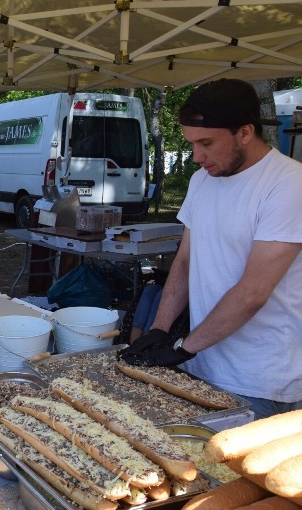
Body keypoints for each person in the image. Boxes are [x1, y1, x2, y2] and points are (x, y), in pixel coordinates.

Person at [123, 78, 302, 420]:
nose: (196, 156)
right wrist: (160, 329)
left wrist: (182, 348)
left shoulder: (289, 184)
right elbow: (187, 261)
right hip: (201, 363)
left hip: (259, 382)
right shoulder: (202, 180)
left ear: (245, 133)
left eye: (206, 143)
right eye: (191, 144)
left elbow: (253, 292)